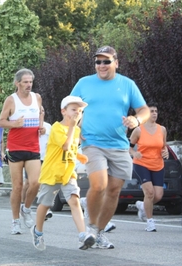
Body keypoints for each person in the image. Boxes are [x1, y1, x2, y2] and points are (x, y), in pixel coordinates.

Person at [70, 46, 150, 249]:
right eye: (98, 61)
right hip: (92, 142)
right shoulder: (84, 83)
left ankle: (97, 232)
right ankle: (89, 225)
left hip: (119, 145)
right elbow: (70, 108)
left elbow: (144, 110)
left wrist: (136, 120)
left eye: (106, 61)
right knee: (99, 185)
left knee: (114, 191)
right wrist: (75, 129)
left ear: (116, 62)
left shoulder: (127, 84)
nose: (102, 65)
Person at [31, 96, 95, 251]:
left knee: (74, 200)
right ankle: (37, 231)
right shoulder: (57, 128)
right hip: (52, 172)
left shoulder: (77, 129)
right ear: (63, 111)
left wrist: (79, 156)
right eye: (74, 110)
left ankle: (82, 235)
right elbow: (65, 146)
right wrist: (73, 127)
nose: (77, 113)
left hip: (67, 172)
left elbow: (70, 150)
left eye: (80, 111)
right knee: (45, 205)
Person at [0, 68, 45, 235]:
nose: (28, 85)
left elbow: (41, 112)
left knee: (36, 182)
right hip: (16, 147)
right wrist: (14, 124)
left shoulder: (37, 97)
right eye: (25, 82)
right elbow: (1, 122)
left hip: (33, 146)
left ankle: (26, 208)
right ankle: (15, 221)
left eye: (30, 82)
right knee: (17, 187)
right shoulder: (11, 100)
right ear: (17, 83)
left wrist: (41, 127)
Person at [129, 103, 168, 232]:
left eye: (156, 111)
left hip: (158, 165)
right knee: (149, 193)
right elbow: (128, 146)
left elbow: (164, 146)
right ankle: (150, 222)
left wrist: (165, 151)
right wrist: (135, 153)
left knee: (158, 195)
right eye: (151, 111)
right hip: (141, 164)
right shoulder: (139, 130)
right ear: (146, 114)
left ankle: (142, 205)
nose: (154, 113)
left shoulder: (162, 129)